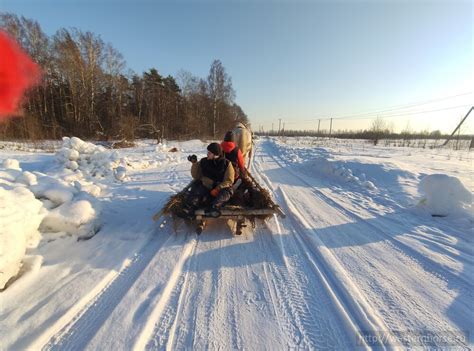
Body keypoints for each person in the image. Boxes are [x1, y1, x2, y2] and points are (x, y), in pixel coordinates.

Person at [184, 142, 235, 217]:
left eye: (209, 152)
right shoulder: (204, 161)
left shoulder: (226, 163)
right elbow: (196, 176)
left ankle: (214, 208)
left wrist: (217, 188)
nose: (207, 154)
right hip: (206, 186)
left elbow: (229, 180)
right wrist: (194, 163)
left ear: (215, 155)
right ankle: (190, 208)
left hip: (219, 189)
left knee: (228, 192)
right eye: (208, 152)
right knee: (197, 189)